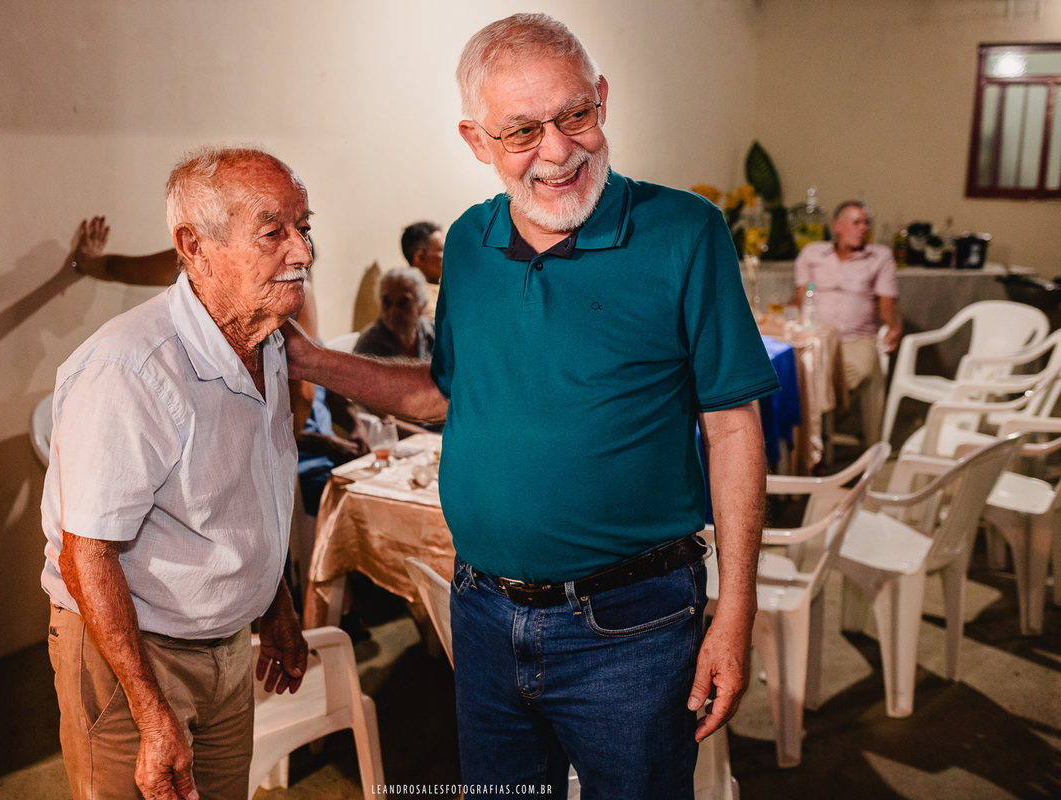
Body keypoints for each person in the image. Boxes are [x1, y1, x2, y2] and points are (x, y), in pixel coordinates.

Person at [282, 14, 777, 799]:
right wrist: (312, 361)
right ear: (476, 140)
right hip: (481, 610)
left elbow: (733, 430)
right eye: (522, 131)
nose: (557, 150)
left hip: (633, 626)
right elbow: (444, 394)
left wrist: (737, 608)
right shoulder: (468, 245)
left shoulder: (686, 232)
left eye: (575, 114)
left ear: (602, 98)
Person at [41, 146, 312, 800]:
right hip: (131, 652)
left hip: (227, 646)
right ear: (195, 247)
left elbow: (248, 496)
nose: (303, 251)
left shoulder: (269, 343)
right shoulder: (129, 369)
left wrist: (274, 604)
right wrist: (149, 707)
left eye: (305, 228)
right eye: (273, 232)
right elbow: (86, 553)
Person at [63, 215, 368, 515]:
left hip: (210, 444)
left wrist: (88, 262)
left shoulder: (198, 261)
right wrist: (279, 450)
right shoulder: (294, 294)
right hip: (238, 446)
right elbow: (303, 396)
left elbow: (118, 268)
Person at [792, 200, 902, 447]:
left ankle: (820, 431)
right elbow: (800, 298)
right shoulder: (812, 253)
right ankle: (812, 437)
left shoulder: (880, 257)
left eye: (866, 223)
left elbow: (888, 303)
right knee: (794, 370)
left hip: (857, 339)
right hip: (815, 336)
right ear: (837, 226)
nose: (863, 228)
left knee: (852, 371)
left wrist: (895, 326)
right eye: (856, 222)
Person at [354, 267, 436, 361]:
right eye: (387, 303)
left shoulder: (434, 333)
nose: (393, 312)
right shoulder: (369, 344)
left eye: (403, 303)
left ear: (422, 306)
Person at [400, 221, 444, 318]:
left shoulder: (446, 285)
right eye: (441, 249)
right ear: (420, 258)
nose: (448, 254)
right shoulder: (417, 298)